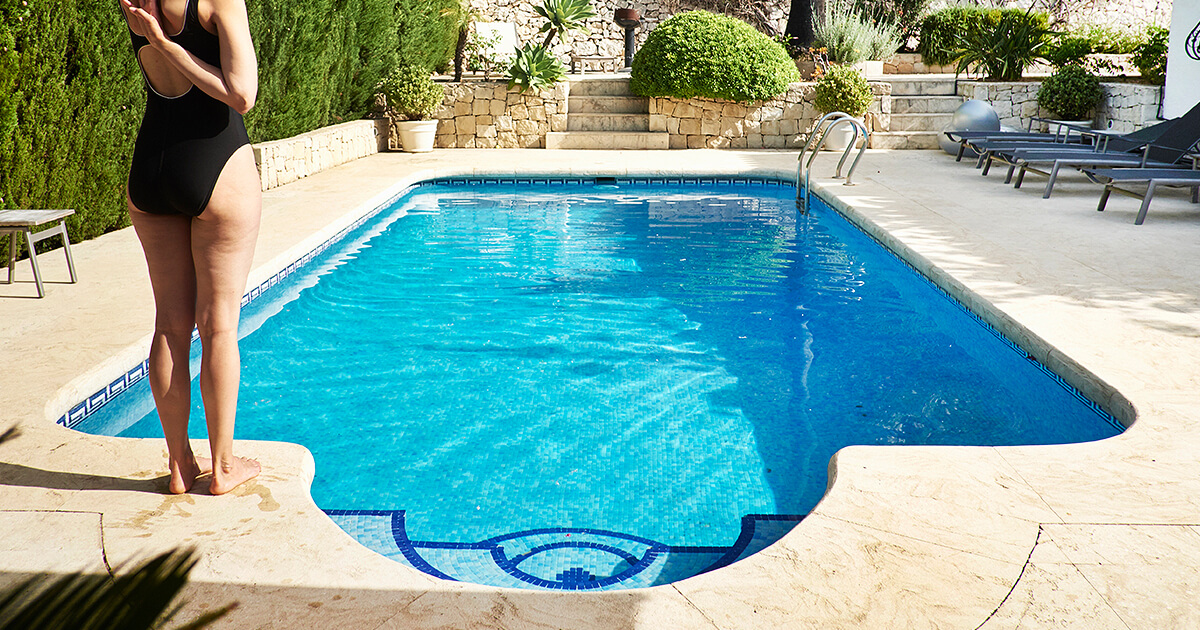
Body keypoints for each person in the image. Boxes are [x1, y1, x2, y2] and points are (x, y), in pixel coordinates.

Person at [120, 0, 261, 495]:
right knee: (219, 324)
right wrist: (167, 45)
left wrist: (159, 43)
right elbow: (242, 94)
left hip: (151, 166)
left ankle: (180, 463)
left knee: (170, 325)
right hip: (214, 160)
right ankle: (222, 467)